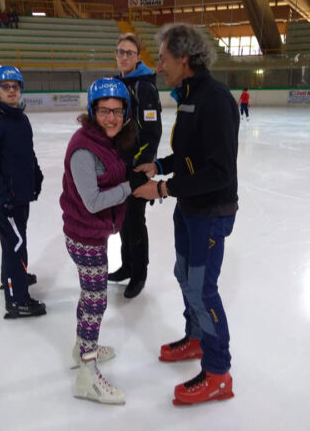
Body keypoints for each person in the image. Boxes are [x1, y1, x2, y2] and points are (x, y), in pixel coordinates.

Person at [133, 23, 239, 406]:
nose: (159, 66)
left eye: (162, 59)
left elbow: (219, 171)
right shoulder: (190, 95)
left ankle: (218, 372)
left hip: (210, 211)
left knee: (202, 288)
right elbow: (191, 156)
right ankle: (196, 337)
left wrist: (163, 188)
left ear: (184, 58)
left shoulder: (216, 99)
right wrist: (159, 165)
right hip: (189, 208)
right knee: (184, 275)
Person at [60, 78, 147, 405]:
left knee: (90, 296)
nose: (111, 117)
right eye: (104, 111)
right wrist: (129, 186)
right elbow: (93, 201)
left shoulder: (110, 140)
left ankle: (81, 345)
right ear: (92, 111)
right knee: (96, 302)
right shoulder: (84, 148)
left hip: (93, 234)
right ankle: (87, 374)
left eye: (117, 111)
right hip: (85, 236)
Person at [0, 65, 46, 319]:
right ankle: (17, 300)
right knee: (17, 245)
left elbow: (27, 152)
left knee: (13, 242)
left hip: (21, 194)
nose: (12, 91)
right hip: (7, 198)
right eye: (6, 87)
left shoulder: (20, 118)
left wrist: (36, 174)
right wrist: (3, 196)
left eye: (15, 86)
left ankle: (13, 277)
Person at [108, 33, 162, 299]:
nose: (124, 56)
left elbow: (152, 131)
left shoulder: (144, 87)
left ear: (138, 56)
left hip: (136, 167)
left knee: (135, 220)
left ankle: (139, 273)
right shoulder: (118, 83)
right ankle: (127, 265)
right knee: (123, 220)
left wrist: (142, 164)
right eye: (121, 52)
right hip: (119, 166)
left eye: (130, 52)